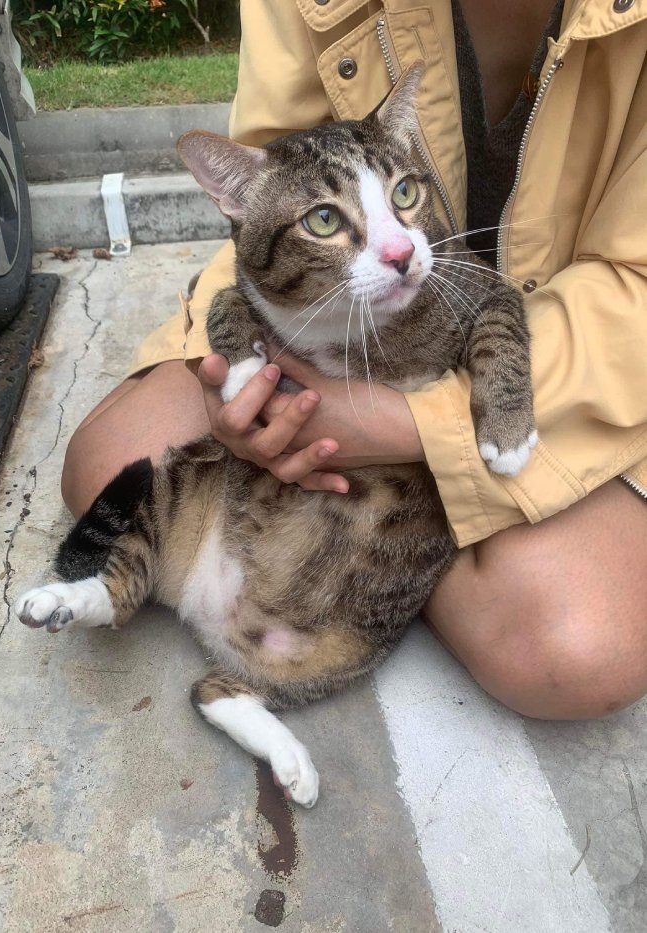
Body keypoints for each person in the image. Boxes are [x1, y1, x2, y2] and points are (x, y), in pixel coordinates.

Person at [61, 0, 647, 720]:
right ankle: (401, 553)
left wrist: (419, 427)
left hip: (573, 351)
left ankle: (394, 559)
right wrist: (233, 382)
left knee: (574, 648)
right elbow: (262, 198)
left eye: (403, 196)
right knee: (104, 471)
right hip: (334, 310)